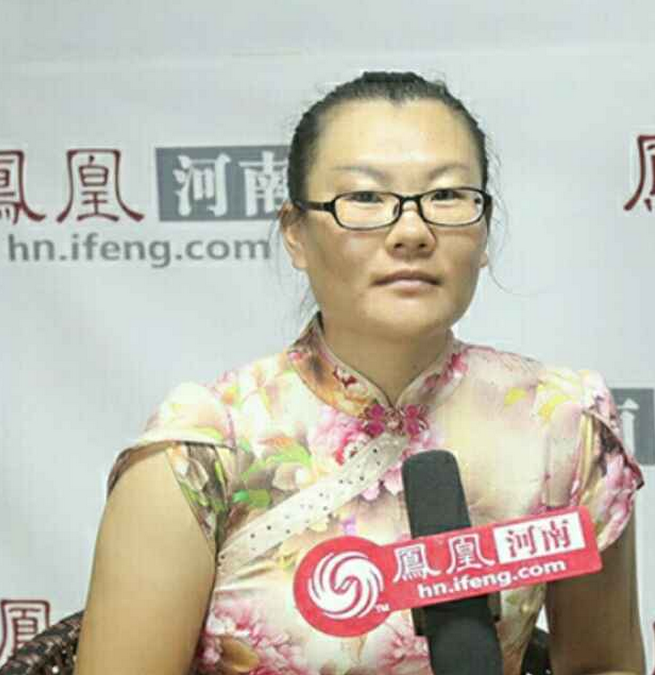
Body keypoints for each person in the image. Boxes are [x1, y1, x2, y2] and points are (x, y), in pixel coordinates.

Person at [73, 71, 646, 675]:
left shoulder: (560, 424)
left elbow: (604, 665)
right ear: (296, 234)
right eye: (366, 199)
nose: (412, 233)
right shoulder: (204, 448)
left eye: (447, 197)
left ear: (484, 232)